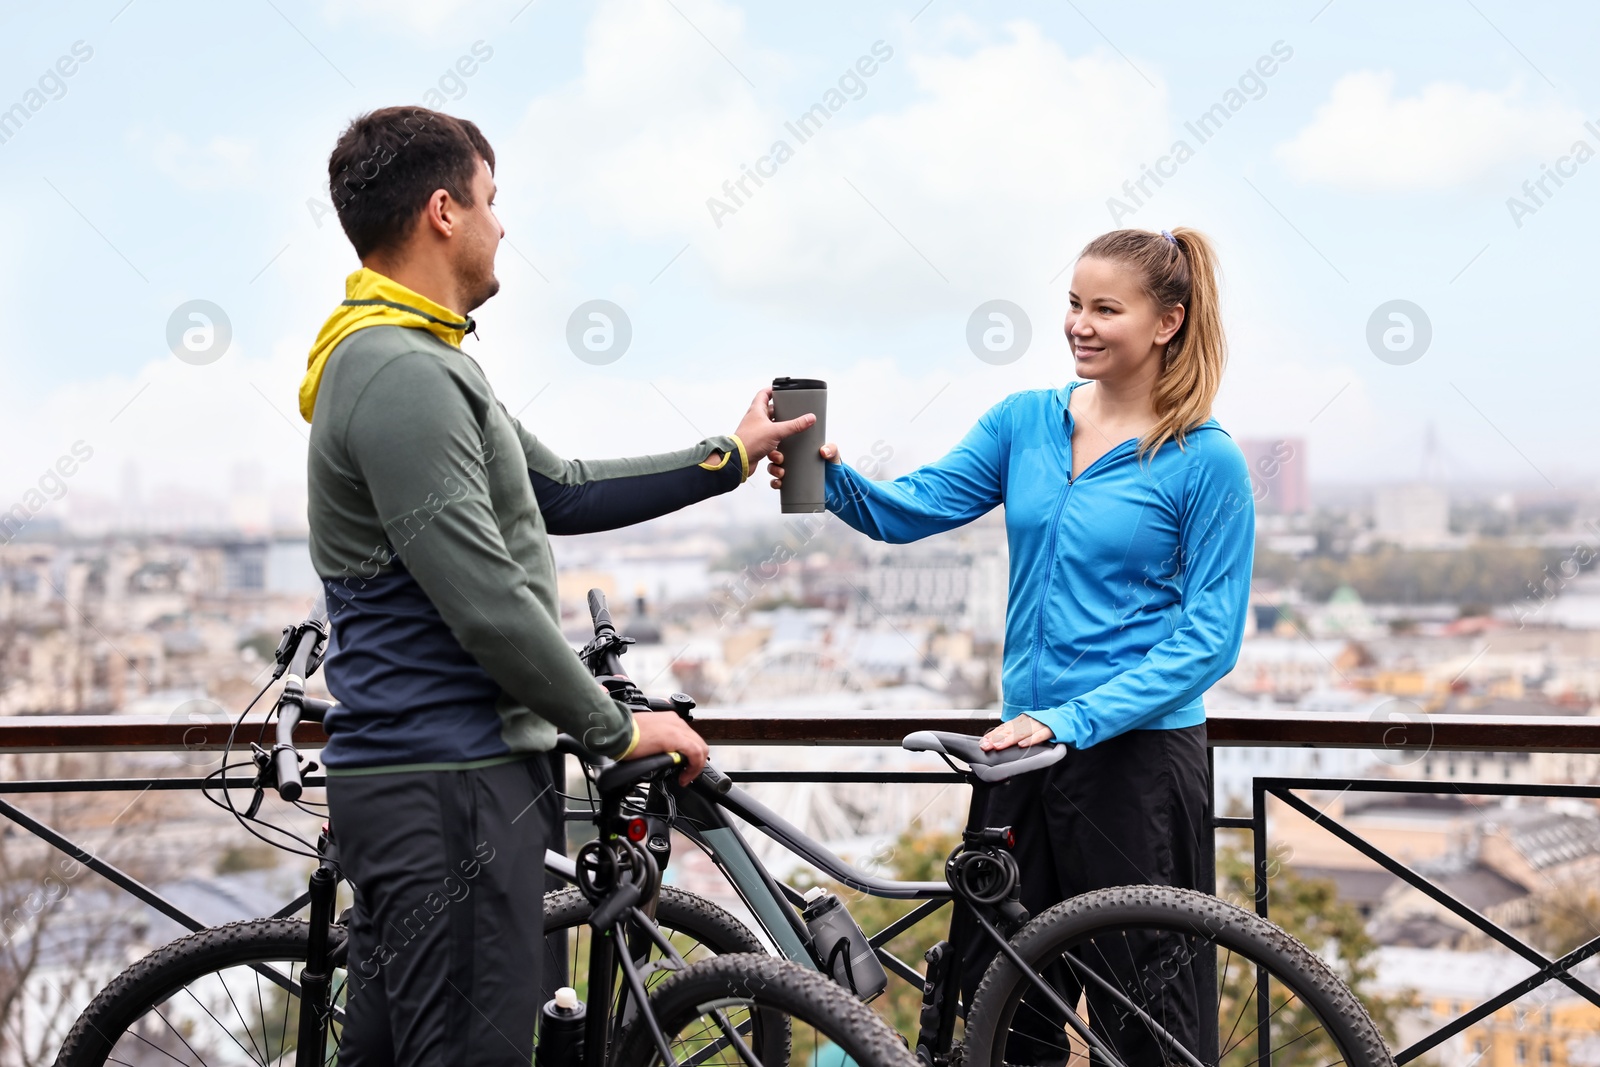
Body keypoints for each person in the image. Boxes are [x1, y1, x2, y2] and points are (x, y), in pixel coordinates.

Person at [302, 106, 813, 1067]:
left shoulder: (420, 357)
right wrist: (614, 726)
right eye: (494, 202)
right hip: (448, 779)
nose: (504, 227)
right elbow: (487, 598)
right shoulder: (398, 371)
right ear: (443, 211)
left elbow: (558, 490)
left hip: (429, 777)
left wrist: (729, 455)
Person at [769, 227, 1254, 1062]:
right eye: (1073, 303)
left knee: (1145, 1022)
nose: (1080, 324)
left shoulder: (1204, 461)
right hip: (1019, 754)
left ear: (1167, 322)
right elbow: (913, 508)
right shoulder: (1026, 421)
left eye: (1106, 308)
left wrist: (1073, 718)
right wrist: (830, 478)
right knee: (1002, 1007)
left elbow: (1210, 639)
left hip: (1135, 765)